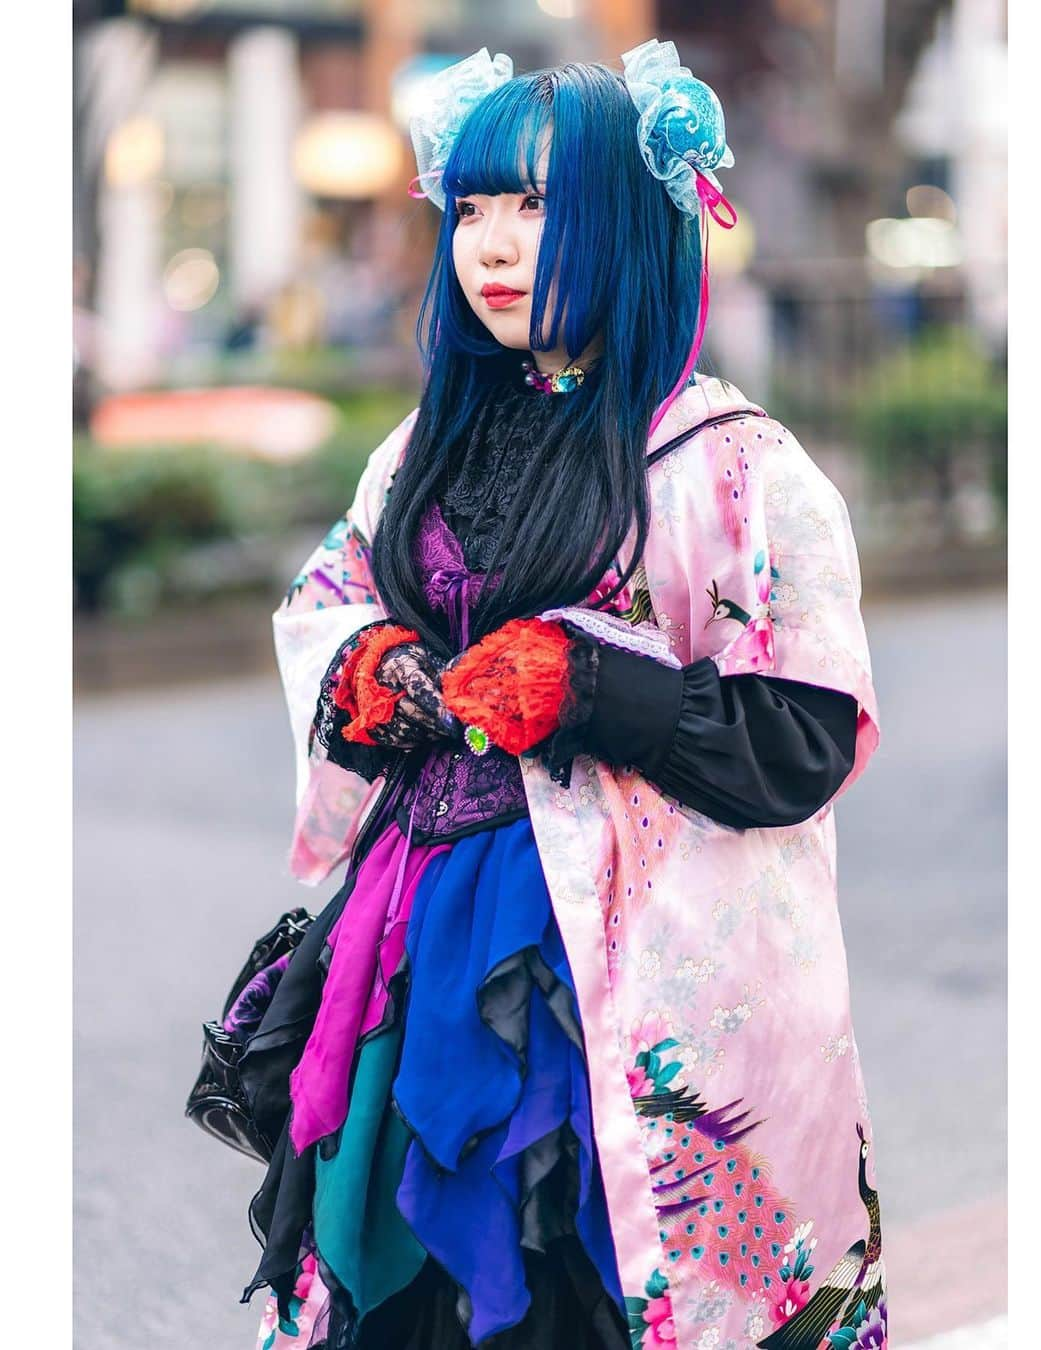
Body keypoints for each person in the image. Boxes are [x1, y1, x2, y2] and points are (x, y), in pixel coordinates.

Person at [233, 42, 887, 1350]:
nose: (492, 243)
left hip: (621, 968)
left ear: (630, 221)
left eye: (535, 205)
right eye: (473, 206)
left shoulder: (733, 464)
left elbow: (806, 735)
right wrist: (371, 660)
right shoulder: (426, 440)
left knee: (583, 1282)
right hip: (420, 931)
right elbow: (329, 594)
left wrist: (591, 682)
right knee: (409, 1276)